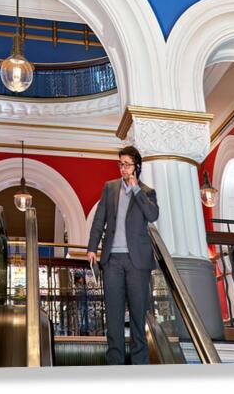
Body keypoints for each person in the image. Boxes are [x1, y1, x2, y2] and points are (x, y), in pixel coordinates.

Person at [87, 145, 159, 365]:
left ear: (136, 166)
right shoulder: (110, 188)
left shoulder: (147, 192)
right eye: (120, 164)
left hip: (138, 263)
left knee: (138, 316)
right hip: (112, 261)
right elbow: (100, 219)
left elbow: (153, 215)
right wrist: (92, 248)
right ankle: (114, 365)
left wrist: (136, 189)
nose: (123, 168)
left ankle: (140, 365)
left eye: (127, 164)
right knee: (114, 316)